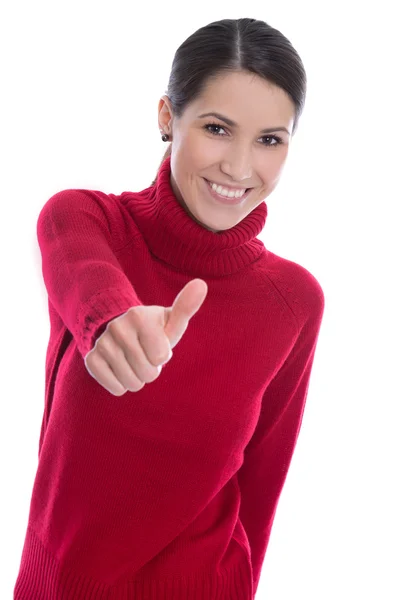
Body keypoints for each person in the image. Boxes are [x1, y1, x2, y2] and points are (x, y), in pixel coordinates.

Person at [13, 17, 325, 600]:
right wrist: (110, 322)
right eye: (216, 128)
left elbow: (260, 490)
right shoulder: (86, 220)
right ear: (167, 117)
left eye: (269, 139)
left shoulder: (294, 301)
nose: (238, 167)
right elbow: (88, 278)